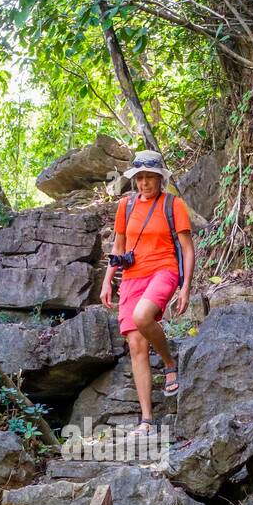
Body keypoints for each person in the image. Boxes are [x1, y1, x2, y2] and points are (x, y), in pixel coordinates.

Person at [100, 149, 195, 433]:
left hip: (164, 271)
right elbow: (118, 248)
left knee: (143, 317)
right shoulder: (125, 207)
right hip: (131, 278)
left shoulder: (173, 205)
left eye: (149, 177)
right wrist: (108, 280)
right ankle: (146, 419)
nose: (144, 183)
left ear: (159, 179)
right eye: (139, 178)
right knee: (136, 346)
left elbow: (187, 249)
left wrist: (186, 286)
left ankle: (169, 362)